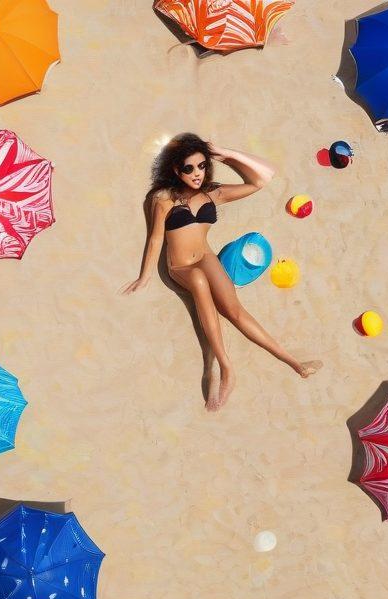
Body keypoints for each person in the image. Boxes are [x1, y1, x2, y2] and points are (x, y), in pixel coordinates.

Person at [123, 133, 321, 411]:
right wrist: (144, 276)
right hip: (181, 266)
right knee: (200, 283)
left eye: (202, 166)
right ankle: (223, 366)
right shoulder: (163, 198)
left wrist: (226, 153)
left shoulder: (212, 193)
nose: (197, 174)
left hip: (206, 257)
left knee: (234, 310)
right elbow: (156, 238)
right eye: (189, 168)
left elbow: (263, 178)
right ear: (176, 170)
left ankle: (294, 363)